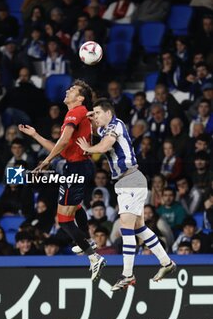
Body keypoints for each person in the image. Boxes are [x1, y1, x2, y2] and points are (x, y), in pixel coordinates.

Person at [77, 98, 176, 291]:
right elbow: (94, 128)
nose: (95, 116)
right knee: (139, 227)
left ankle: (127, 274)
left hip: (131, 179)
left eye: (98, 113)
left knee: (126, 228)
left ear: (108, 113)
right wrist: (87, 116)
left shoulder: (116, 125)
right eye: (94, 113)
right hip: (126, 182)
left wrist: (88, 149)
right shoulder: (104, 129)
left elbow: (105, 146)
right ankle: (166, 263)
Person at [19, 79, 106, 281]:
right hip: (77, 166)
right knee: (73, 208)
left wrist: (47, 161)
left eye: (72, 90)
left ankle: (93, 257)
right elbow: (63, 149)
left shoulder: (76, 112)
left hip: (75, 168)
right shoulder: (80, 112)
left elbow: (63, 141)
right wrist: (35, 135)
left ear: (80, 97)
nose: (67, 90)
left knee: (64, 220)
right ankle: (87, 240)